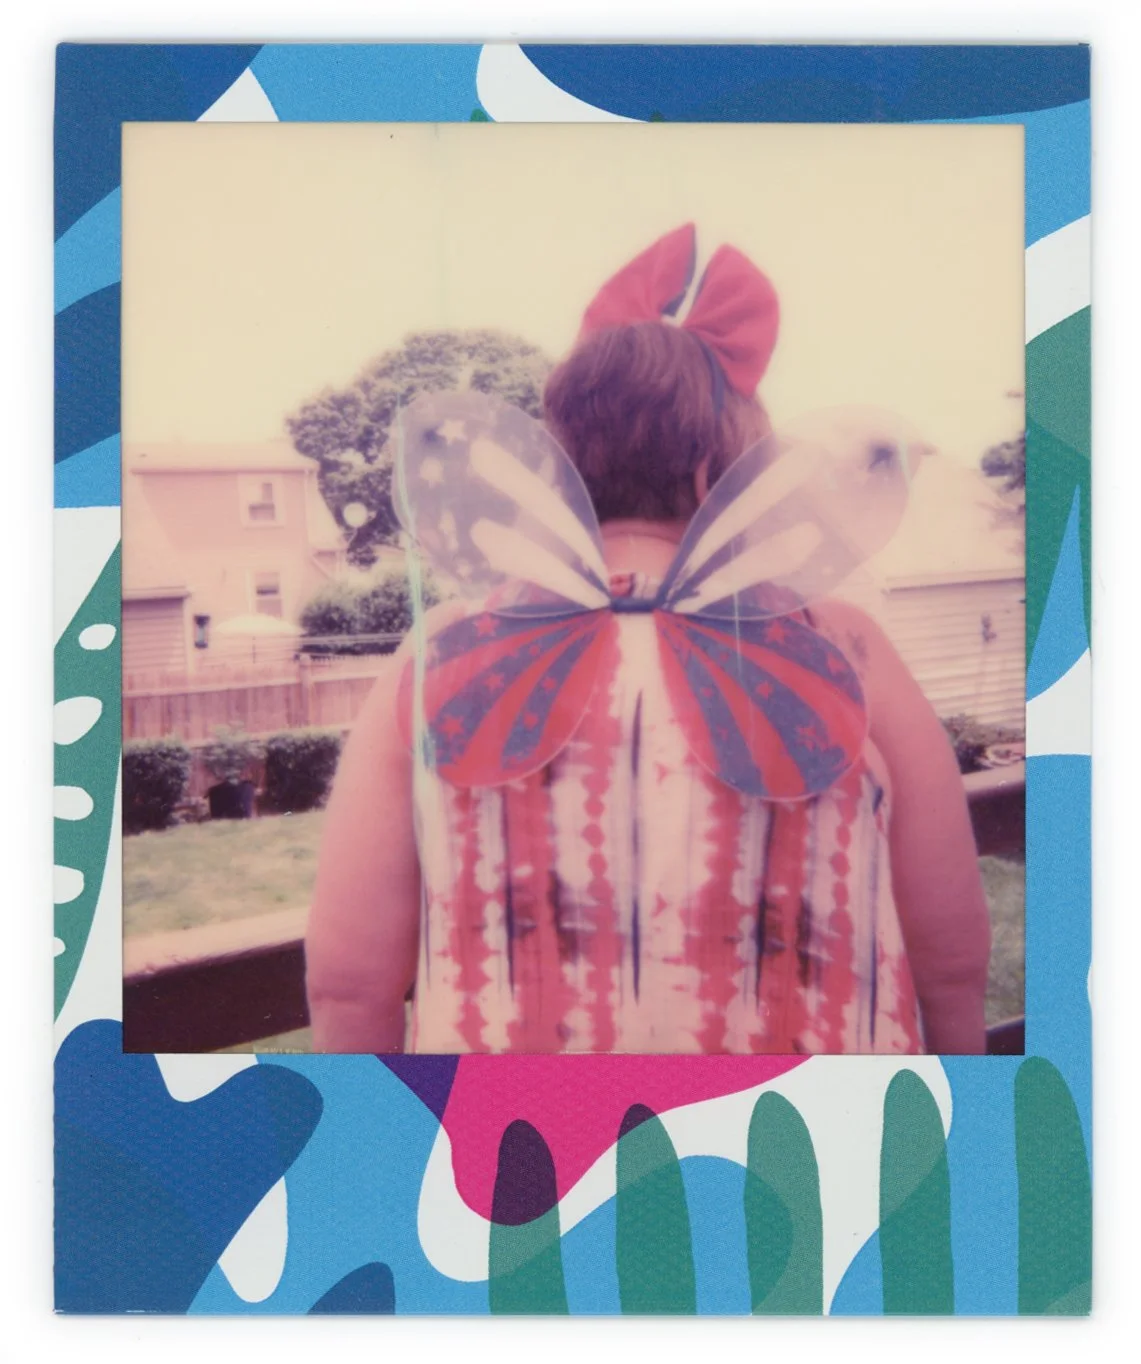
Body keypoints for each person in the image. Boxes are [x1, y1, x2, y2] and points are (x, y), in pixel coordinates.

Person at [305, 224, 991, 1056]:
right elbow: (950, 962)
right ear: (720, 472)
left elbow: (348, 986)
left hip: (516, 1134)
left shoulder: (446, 652)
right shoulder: (846, 648)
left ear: (558, 463)